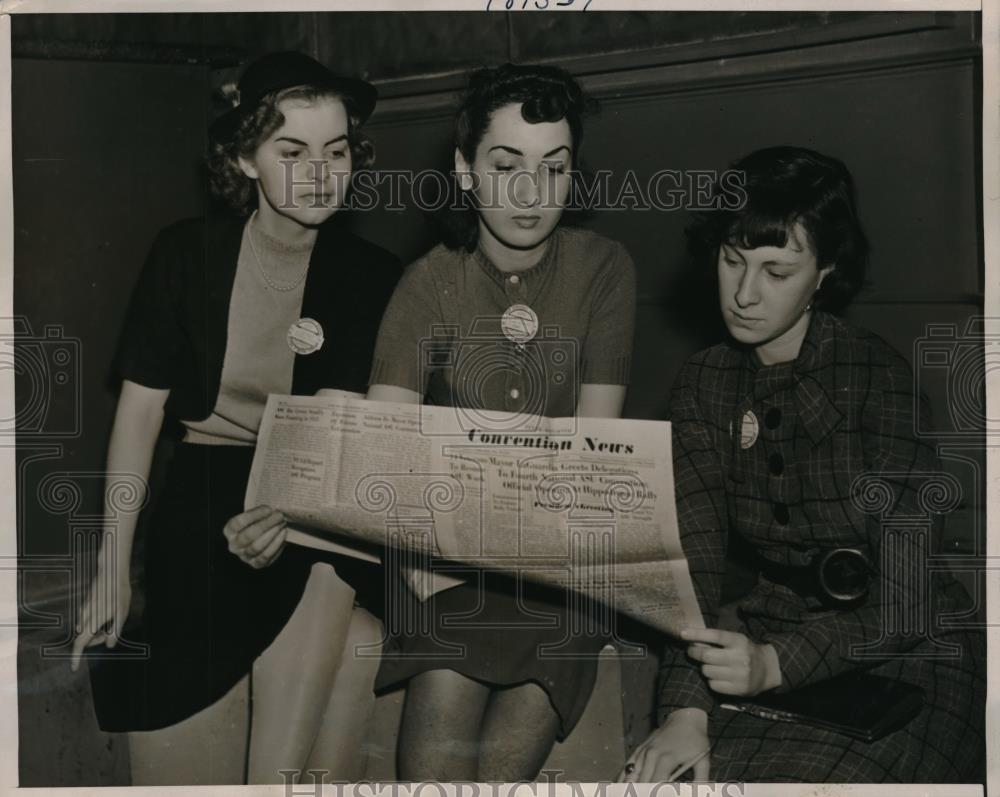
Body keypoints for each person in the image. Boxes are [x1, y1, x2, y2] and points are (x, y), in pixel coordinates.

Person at [70, 51, 401, 785]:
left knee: (331, 580)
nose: (321, 172)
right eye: (292, 151)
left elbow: (356, 440)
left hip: (321, 498)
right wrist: (112, 563)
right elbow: (140, 414)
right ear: (246, 158)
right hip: (206, 489)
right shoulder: (186, 254)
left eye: (337, 150)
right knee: (353, 643)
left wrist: (295, 508)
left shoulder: (373, 276)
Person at [622, 146, 985, 783]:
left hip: (911, 651)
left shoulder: (878, 380)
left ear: (826, 271)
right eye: (732, 260)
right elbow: (694, 565)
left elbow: (907, 601)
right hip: (763, 640)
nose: (743, 293)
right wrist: (685, 709)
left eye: (776, 270)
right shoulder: (704, 383)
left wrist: (775, 665)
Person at [367, 63, 638, 780]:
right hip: (442, 557)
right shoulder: (427, 281)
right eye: (505, 164)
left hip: (559, 562)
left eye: (554, 168)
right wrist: (426, 563)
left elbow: (595, 446)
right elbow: (386, 454)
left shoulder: (605, 267)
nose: (530, 192)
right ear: (464, 170)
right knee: (441, 719)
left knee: (497, 769)